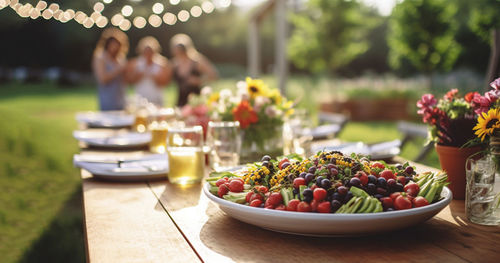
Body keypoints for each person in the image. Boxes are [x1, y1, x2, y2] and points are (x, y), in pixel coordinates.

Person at [170, 34, 218, 107]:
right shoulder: (174, 64)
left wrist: (199, 80)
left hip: (197, 101)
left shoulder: (197, 61)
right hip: (181, 101)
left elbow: (214, 75)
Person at [125, 36, 172, 107]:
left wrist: (153, 77)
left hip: (157, 98)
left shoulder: (162, 63)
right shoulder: (135, 63)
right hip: (140, 99)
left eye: (150, 51)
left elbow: (165, 82)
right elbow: (129, 81)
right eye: (146, 51)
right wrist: (139, 75)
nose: (148, 53)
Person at [92, 28, 129, 111]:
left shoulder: (121, 58)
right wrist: (119, 69)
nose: (115, 47)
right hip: (107, 100)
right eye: (112, 44)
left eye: (117, 45)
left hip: (121, 100)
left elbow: (126, 80)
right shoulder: (100, 57)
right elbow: (102, 79)